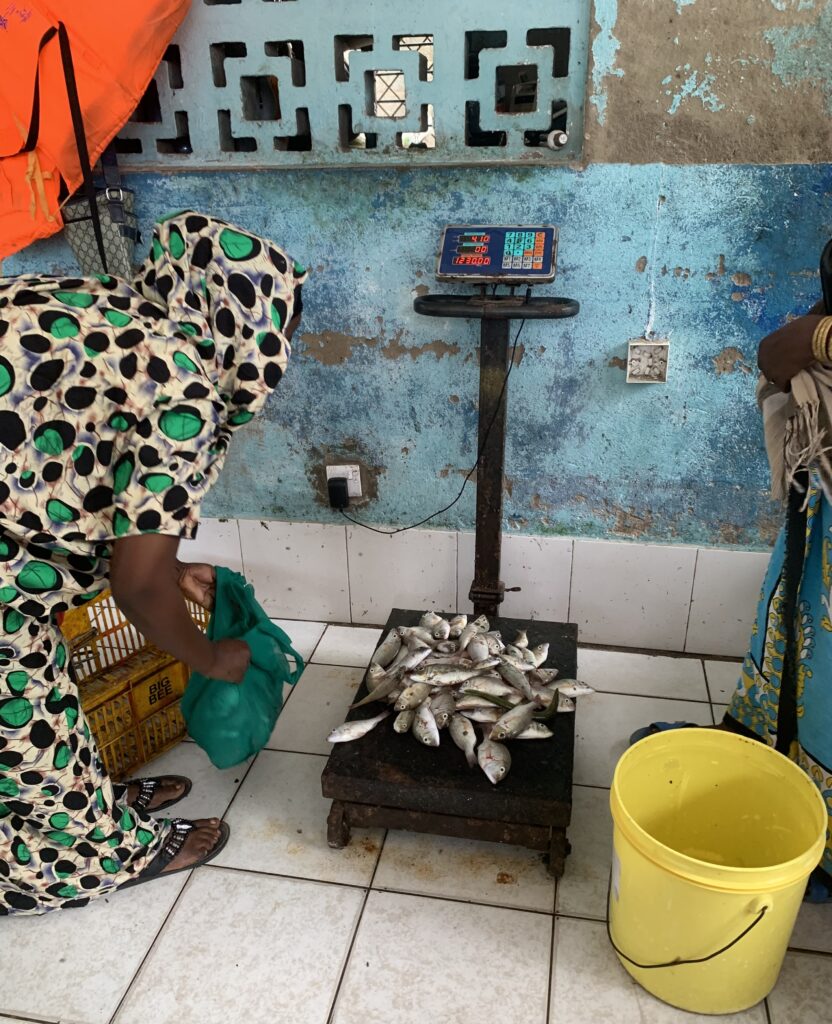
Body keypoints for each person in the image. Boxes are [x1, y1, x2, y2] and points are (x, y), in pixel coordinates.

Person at [0, 211, 307, 914]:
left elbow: (62, 466)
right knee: (23, 716)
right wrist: (213, 658)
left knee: (27, 708)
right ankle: (79, 863)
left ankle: (85, 810)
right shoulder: (185, 390)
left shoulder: (101, 308)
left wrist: (171, 568)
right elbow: (133, 587)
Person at [630, 298, 832, 904]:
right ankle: (774, 769)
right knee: (803, 632)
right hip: (818, 500)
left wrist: (817, 341)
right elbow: (778, 352)